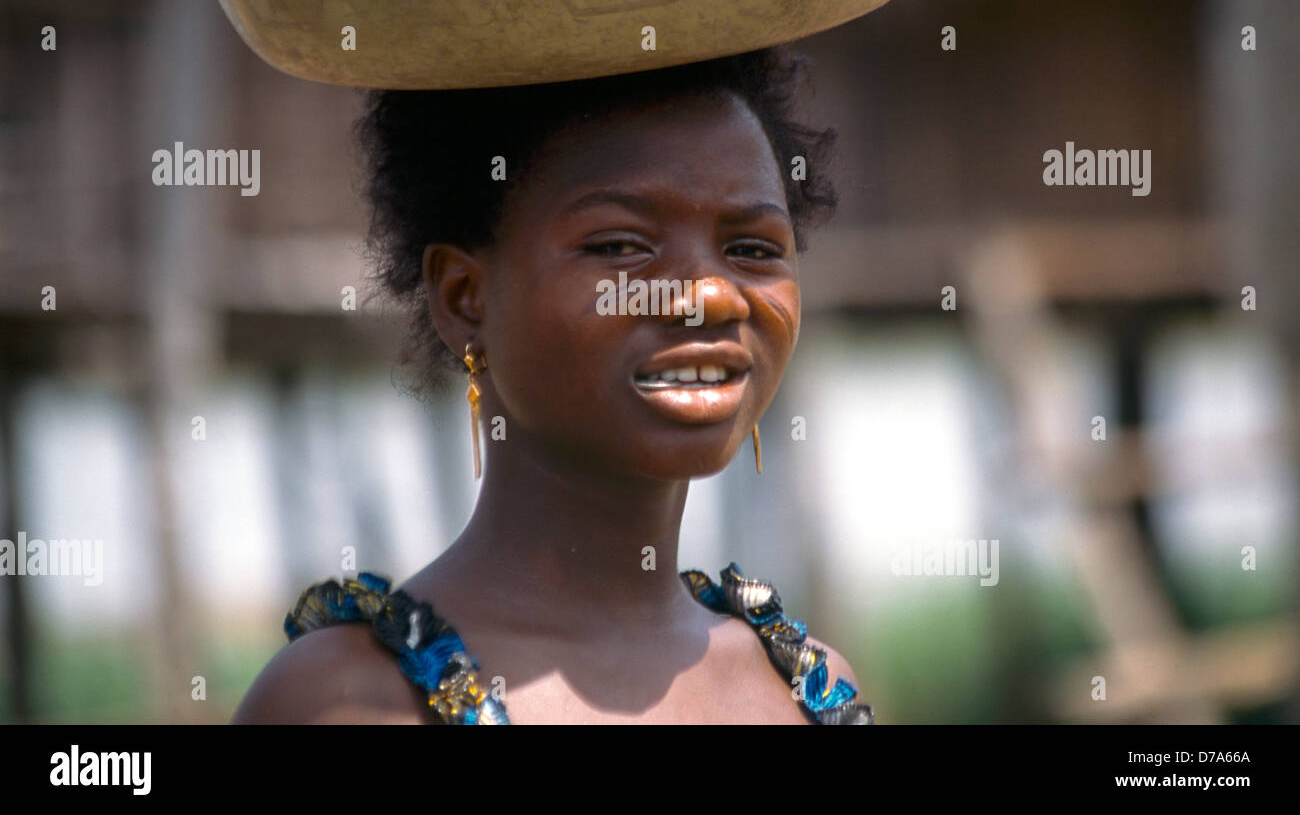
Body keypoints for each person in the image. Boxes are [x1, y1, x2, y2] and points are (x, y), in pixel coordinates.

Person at [232, 44, 871, 724]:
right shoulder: (350, 703)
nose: (710, 295)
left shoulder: (808, 690)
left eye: (752, 249)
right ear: (464, 296)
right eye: (622, 245)